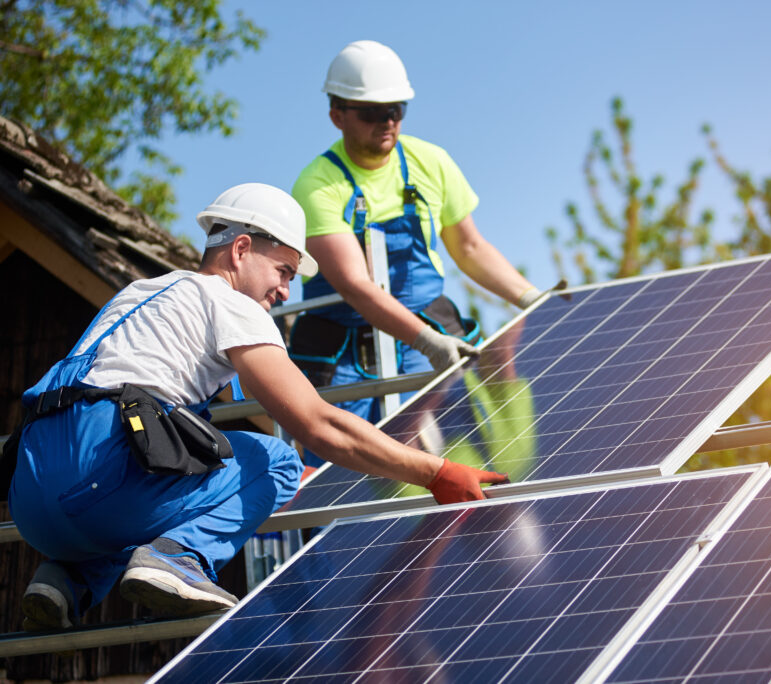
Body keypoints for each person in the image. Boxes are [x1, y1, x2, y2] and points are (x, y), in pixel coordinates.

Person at [4, 182, 507, 631]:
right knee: (277, 459)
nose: (286, 290)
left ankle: (64, 581)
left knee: (169, 464)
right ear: (241, 250)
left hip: (31, 495)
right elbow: (316, 422)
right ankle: (179, 559)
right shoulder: (232, 305)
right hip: (101, 477)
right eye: (284, 270)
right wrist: (434, 471)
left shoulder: (143, 293)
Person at [290, 40, 544, 426]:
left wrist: (533, 299)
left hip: (428, 332)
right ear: (337, 115)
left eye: (396, 109)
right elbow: (356, 284)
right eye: (373, 112)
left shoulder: (431, 162)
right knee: (342, 471)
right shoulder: (317, 185)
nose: (387, 121)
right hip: (343, 354)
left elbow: (470, 247)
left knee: (459, 447)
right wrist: (427, 341)